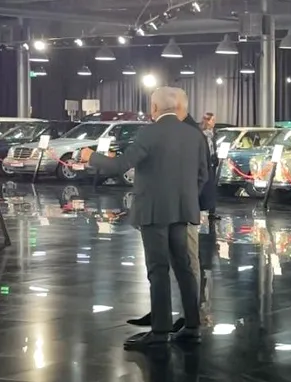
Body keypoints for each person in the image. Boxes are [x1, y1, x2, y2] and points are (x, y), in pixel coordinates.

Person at [82, 86, 207, 350]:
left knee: (158, 269)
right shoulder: (194, 135)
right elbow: (202, 176)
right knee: (184, 268)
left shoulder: (149, 133)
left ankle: (160, 331)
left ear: (155, 108)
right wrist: (185, 198)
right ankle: (192, 326)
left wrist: (91, 156)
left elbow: (119, 165)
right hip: (182, 210)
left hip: (153, 211)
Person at [199, 112, 219, 220]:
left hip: (212, 162)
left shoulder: (213, 134)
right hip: (205, 163)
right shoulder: (201, 134)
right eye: (212, 120)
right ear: (207, 121)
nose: (214, 123)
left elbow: (213, 148)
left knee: (212, 187)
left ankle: (212, 212)